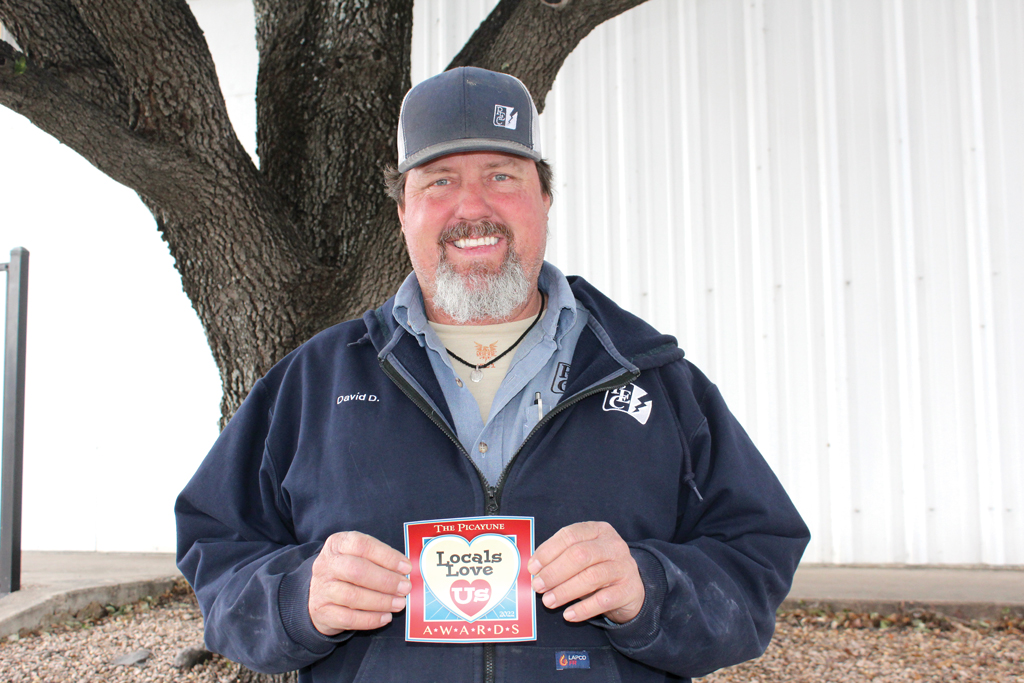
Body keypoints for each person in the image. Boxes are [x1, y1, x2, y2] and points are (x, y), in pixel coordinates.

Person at [176, 66, 810, 683]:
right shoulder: (311, 384)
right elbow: (218, 550)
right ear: (403, 211)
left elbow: (755, 557)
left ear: (544, 198)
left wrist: (651, 587)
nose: (471, 207)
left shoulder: (653, 380)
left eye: (502, 175)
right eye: (439, 181)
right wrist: (294, 601)